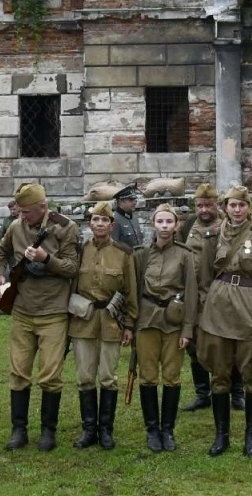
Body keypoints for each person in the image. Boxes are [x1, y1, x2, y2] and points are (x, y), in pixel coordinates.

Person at [0, 182, 80, 451]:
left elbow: (72, 268)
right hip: (22, 311)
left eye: (27, 212)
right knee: (18, 372)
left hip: (53, 311)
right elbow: (0, 252)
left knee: (50, 374)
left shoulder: (65, 227)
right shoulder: (15, 226)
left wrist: (45, 258)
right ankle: (18, 430)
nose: (22, 216)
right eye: (19, 211)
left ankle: (48, 432)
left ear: (43, 207)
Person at [197, 185, 252, 456]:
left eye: (242, 205)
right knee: (219, 373)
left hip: (249, 307)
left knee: (251, 373)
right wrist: (203, 311)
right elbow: (203, 279)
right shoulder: (212, 236)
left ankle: (251, 437)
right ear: (225, 207)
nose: (236, 210)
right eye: (232, 205)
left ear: (249, 208)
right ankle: (221, 436)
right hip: (218, 308)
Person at [68, 201, 138, 449]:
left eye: (104, 220)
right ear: (89, 224)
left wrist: (129, 324)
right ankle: (89, 430)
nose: (99, 224)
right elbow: (71, 286)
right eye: (95, 220)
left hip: (111, 321)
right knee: (85, 376)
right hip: (83, 320)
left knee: (108, 377)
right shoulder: (79, 251)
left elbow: (131, 291)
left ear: (112, 225)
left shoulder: (123, 253)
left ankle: (106, 430)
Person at [133, 204, 199, 451]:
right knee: (148, 376)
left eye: (169, 222)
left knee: (171, 377)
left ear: (176, 226)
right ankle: (152, 430)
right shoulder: (140, 254)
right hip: (147, 321)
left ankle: (167, 430)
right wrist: (131, 325)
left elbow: (192, 294)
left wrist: (187, 330)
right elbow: (134, 290)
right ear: (153, 224)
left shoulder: (185, 255)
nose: (164, 226)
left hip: (173, 322)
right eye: (160, 222)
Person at [182, 182, 226, 412]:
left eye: (208, 205)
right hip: (193, 295)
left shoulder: (227, 226)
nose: (204, 210)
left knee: (225, 345)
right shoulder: (189, 224)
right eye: (200, 205)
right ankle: (203, 393)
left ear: (216, 204)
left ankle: (234, 392)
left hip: (220, 294)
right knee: (194, 344)